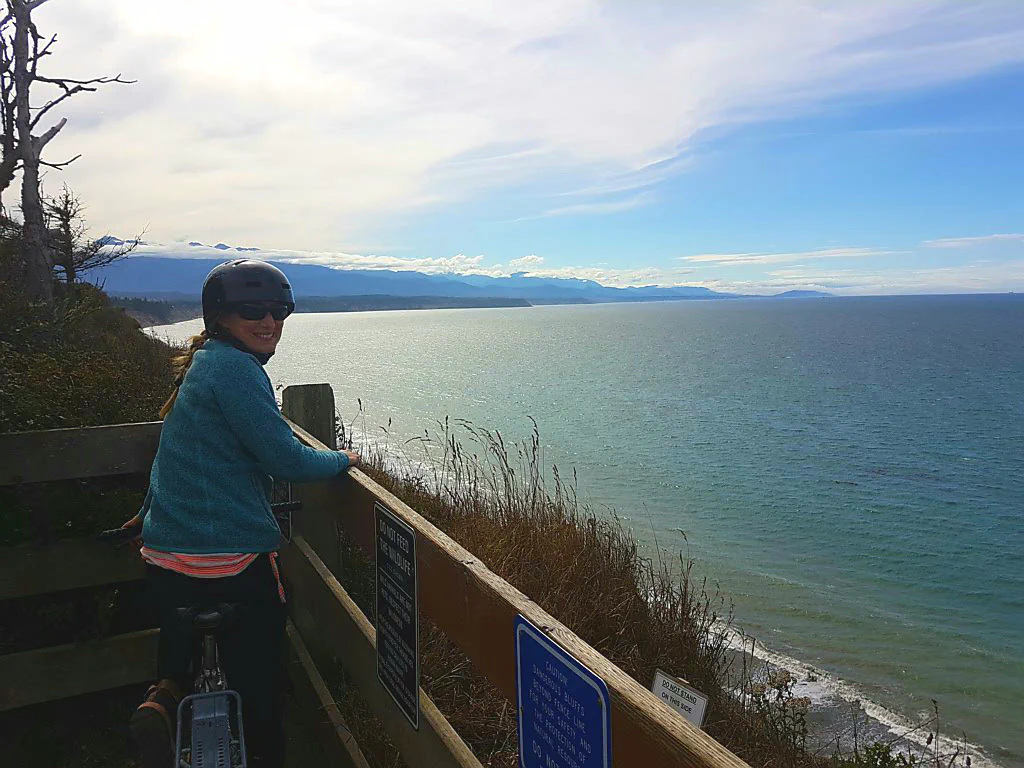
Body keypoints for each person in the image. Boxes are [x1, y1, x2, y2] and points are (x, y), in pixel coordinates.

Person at [122, 259, 359, 768]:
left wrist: (146, 512)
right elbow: (288, 460)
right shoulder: (236, 371)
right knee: (262, 679)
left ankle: (165, 696)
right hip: (229, 561)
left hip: (164, 557)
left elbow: (175, 455)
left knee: (181, 632)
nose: (269, 321)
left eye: (279, 311)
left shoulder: (203, 364)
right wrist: (342, 459)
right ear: (220, 317)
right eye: (253, 310)